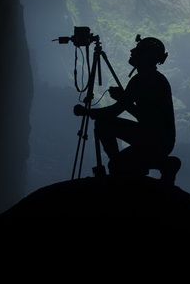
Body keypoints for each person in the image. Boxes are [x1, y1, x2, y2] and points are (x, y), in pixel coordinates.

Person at [73, 36, 180, 183]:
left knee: (103, 125)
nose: (132, 51)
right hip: (159, 139)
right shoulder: (153, 78)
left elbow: (115, 112)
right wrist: (124, 100)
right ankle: (160, 164)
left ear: (145, 56)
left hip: (154, 140)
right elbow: (147, 118)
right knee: (106, 129)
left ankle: (149, 164)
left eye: (137, 50)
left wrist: (88, 112)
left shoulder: (144, 80)